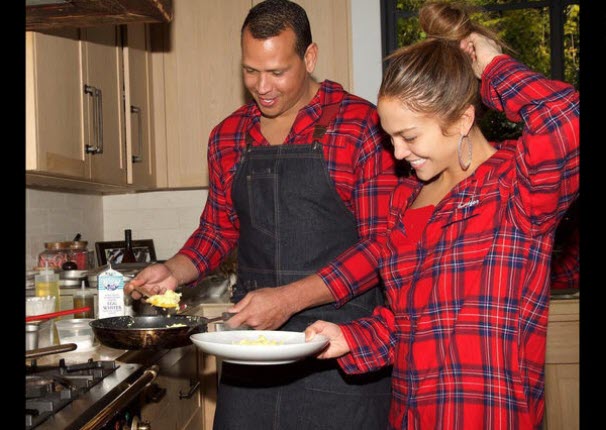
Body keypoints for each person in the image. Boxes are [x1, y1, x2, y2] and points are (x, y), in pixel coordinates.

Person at [305, 2, 580, 429]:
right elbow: (409, 323)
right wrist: (350, 337)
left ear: (463, 119)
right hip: (410, 416)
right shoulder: (405, 200)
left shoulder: (517, 188)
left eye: (409, 136)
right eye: (390, 137)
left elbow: (564, 118)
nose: (398, 152)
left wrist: (493, 67)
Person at [125, 0, 399, 428]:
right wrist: (173, 271)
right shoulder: (228, 136)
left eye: (277, 71)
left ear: (309, 57)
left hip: (339, 351)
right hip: (251, 352)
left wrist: (289, 299)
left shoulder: (361, 126)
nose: (262, 86)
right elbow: (217, 230)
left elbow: (381, 247)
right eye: (250, 71)